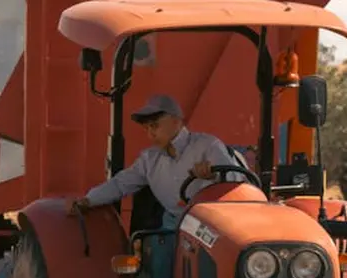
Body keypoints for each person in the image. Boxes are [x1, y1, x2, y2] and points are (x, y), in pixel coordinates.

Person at [66, 94, 245, 228]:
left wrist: (213, 175)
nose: (150, 134)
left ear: (176, 121)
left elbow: (234, 182)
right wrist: (89, 200)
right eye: (146, 128)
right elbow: (121, 184)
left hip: (211, 225)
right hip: (172, 226)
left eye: (155, 125)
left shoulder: (207, 146)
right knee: (159, 261)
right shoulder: (149, 160)